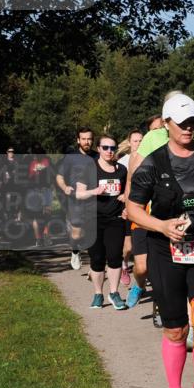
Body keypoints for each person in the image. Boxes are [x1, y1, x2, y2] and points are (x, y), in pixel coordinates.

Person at [126, 94, 194, 388]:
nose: (188, 128)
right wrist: (162, 226)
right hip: (164, 250)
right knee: (175, 329)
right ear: (166, 124)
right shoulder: (153, 163)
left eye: (193, 122)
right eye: (181, 123)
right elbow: (133, 207)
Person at [124, 96, 188, 317]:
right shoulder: (151, 141)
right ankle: (140, 285)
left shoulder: (192, 140)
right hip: (146, 214)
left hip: (175, 216)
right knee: (142, 267)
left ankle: (163, 306)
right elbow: (133, 173)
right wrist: (128, 200)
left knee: (166, 268)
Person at [75, 135, 128, 310]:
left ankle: (114, 293)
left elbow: (128, 190)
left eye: (112, 148)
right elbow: (79, 194)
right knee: (97, 258)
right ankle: (98, 294)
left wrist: (124, 197)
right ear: (99, 149)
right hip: (93, 220)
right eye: (105, 148)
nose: (109, 151)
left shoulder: (121, 170)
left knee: (114, 256)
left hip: (115, 220)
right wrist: (94, 191)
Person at [56, 127, 97, 270]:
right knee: (77, 233)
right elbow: (59, 176)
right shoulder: (70, 158)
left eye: (89, 139)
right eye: (84, 139)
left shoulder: (98, 157)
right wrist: (65, 187)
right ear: (78, 140)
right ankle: (75, 252)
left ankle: (95, 264)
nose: (87, 142)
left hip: (94, 199)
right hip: (76, 200)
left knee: (92, 231)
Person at [118, 130, 143, 285]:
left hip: (144, 206)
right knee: (128, 246)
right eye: (135, 141)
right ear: (129, 143)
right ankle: (124, 265)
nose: (138, 143)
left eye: (141, 140)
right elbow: (118, 183)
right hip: (127, 207)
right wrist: (122, 195)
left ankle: (144, 278)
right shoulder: (123, 162)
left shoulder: (148, 158)